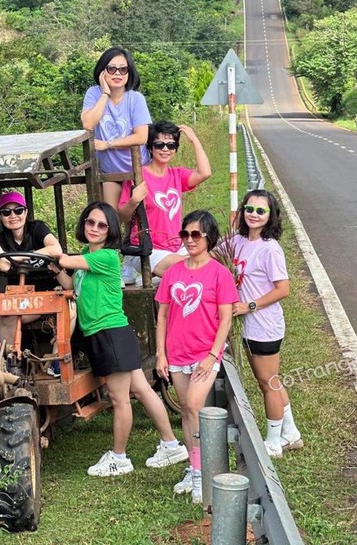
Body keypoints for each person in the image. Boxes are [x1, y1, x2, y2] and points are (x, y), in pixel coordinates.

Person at [47, 201, 188, 477]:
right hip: (112, 333)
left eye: (102, 225)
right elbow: (71, 282)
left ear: (111, 230)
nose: (95, 229)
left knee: (119, 398)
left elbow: (63, 258)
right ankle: (171, 444)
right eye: (90, 222)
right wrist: (57, 272)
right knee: (142, 390)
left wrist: (50, 252)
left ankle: (119, 457)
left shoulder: (107, 256)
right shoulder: (88, 254)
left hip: (108, 332)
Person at [155, 211, 238, 503]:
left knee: (193, 405)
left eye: (196, 235)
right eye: (185, 235)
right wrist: (160, 354)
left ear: (208, 238)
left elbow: (225, 319)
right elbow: (163, 314)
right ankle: (195, 468)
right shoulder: (174, 272)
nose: (189, 240)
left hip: (205, 353)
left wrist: (213, 354)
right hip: (176, 353)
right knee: (187, 412)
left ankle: (203, 472)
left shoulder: (220, 274)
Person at [0, 191, 73, 376]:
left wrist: (21, 256)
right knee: (7, 316)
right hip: (22, 297)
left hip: (49, 291)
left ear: (25, 212)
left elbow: (55, 249)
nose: (13, 216)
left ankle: (55, 359)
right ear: (1, 217)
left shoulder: (37, 229)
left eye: (18, 210)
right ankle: (12, 364)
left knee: (69, 307)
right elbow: (3, 264)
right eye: (6, 212)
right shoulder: (1, 239)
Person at [230, 189, 302, 458]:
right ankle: (291, 432)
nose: (254, 215)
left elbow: (283, 289)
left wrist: (249, 305)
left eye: (261, 211)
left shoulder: (270, 249)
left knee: (268, 382)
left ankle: (273, 441)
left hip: (264, 324)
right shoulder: (237, 241)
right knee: (268, 380)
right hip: (247, 325)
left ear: (270, 216)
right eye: (250, 209)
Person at [118, 121, 211, 283]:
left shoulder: (176, 175)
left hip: (176, 246)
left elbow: (205, 173)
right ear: (150, 147)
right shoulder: (138, 177)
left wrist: (194, 140)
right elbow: (123, 216)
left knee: (212, 262)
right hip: (148, 249)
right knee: (188, 267)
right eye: (159, 145)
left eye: (171, 145)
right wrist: (133, 201)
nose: (165, 149)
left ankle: (162, 282)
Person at [81, 47, 151, 209]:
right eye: (111, 69)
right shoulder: (94, 93)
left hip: (139, 170)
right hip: (110, 172)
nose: (117, 74)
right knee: (111, 219)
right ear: (102, 71)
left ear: (129, 72)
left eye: (123, 69)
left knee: (135, 222)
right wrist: (105, 93)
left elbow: (141, 137)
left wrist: (108, 144)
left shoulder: (136, 99)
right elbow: (88, 124)